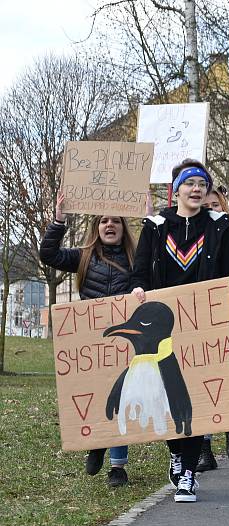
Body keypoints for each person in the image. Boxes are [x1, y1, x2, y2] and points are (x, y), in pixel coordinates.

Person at [130, 159, 229, 503]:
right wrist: (138, 289)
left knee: (194, 399)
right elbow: (140, 271)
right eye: (190, 183)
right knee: (166, 395)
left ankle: (189, 474)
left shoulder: (220, 226)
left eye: (202, 184)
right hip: (163, 324)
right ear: (176, 188)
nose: (197, 189)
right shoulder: (154, 226)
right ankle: (176, 453)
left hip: (203, 327)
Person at [40, 193, 137, 488]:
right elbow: (49, 255)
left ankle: (118, 467)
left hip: (123, 342)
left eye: (116, 221)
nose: (110, 225)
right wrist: (58, 221)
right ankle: (97, 444)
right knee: (97, 400)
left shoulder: (136, 260)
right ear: (96, 227)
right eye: (104, 220)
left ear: (123, 227)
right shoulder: (83, 257)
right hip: (90, 344)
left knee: (121, 401)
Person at [198, 186, 229, 471]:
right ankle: (204, 448)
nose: (212, 210)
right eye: (206, 207)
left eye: (216, 205)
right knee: (202, 383)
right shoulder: (194, 237)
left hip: (227, 313)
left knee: (226, 380)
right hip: (200, 316)